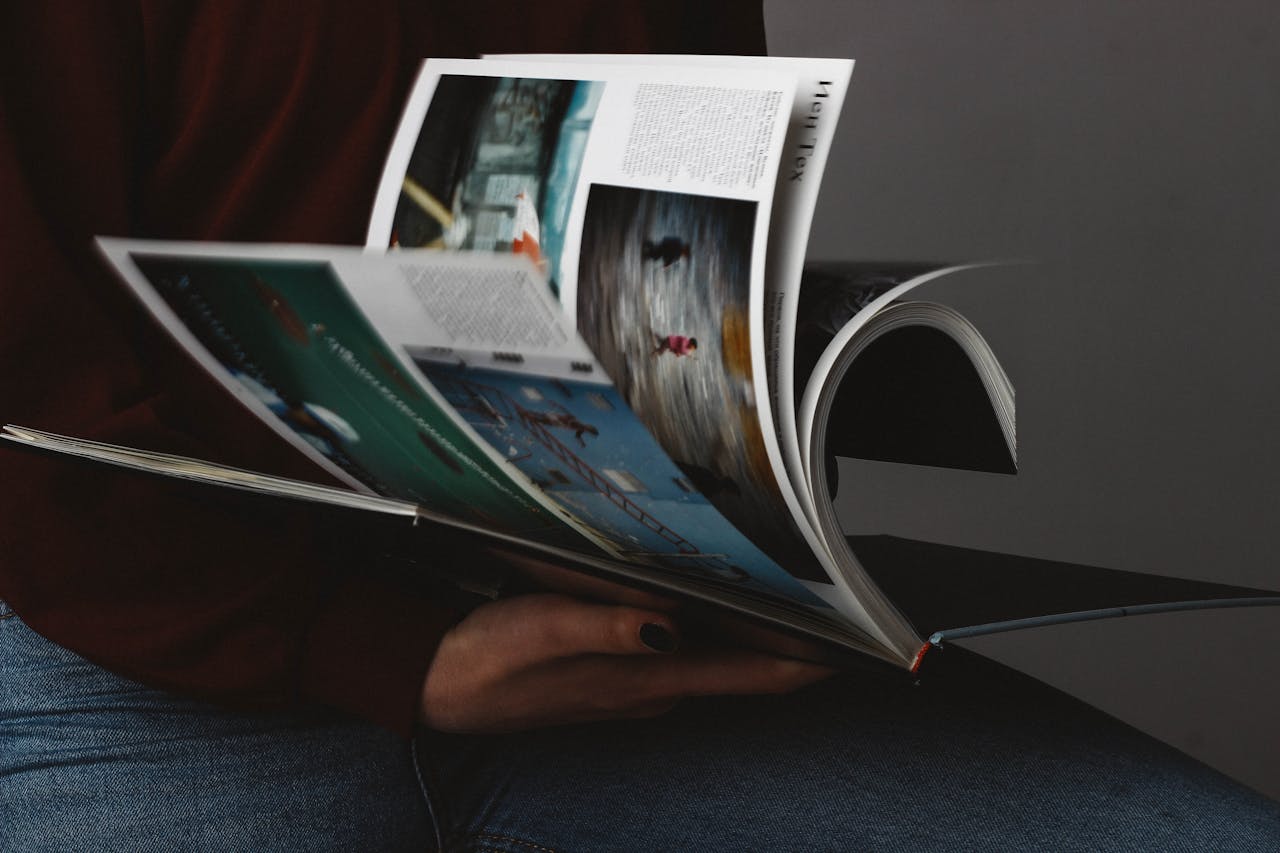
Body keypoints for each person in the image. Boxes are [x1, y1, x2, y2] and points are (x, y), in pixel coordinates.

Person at [3, 4, 1279, 851]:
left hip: (600, 625)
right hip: (124, 634)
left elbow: (668, 247)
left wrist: (723, 515)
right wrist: (383, 647)